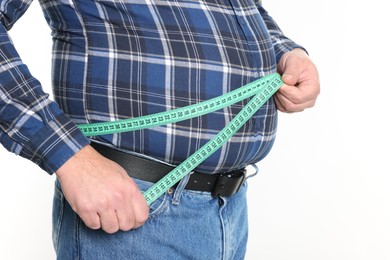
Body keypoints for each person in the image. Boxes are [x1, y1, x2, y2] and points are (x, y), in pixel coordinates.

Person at [0, 0, 319, 259]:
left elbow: (238, 10)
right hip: (133, 205)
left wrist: (285, 53)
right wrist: (70, 156)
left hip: (230, 210)